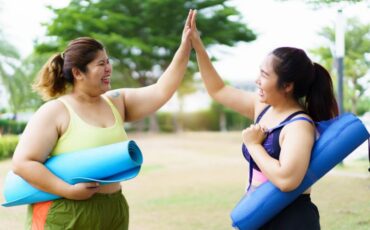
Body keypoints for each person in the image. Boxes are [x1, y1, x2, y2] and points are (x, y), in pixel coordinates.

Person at [12, 9, 196, 230]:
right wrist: (68, 190)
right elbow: (23, 163)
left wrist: (185, 47)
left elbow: (162, 90)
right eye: (101, 64)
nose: (109, 68)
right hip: (65, 209)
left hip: (113, 207)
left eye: (108, 61)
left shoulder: (117, 102)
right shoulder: (55, 111)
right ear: (78, 73)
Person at [189, 11, 338, 229]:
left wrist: (252, 144)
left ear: (287, 86)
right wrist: (198, 47)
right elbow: (218, 89)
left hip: (291, 220)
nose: (257, 80)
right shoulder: (264, 107)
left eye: (265, 75)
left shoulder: (299, 126)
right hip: (260, 212)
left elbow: (287, 181)